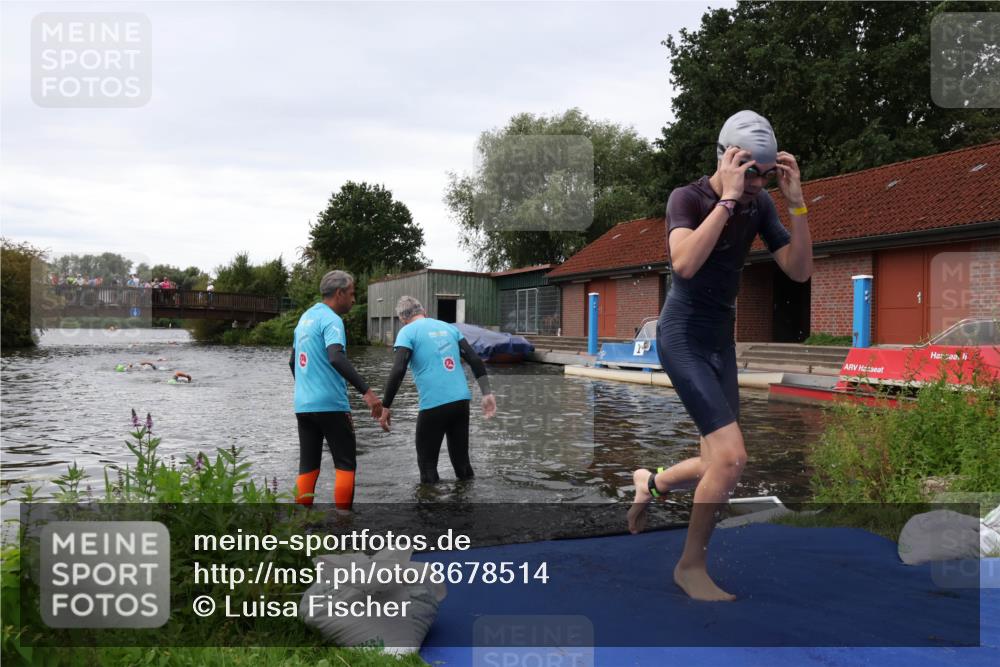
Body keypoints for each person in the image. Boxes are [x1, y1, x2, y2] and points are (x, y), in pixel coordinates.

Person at [627, 110, 813, 601]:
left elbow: (799, 270)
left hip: (719, 343)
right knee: (732, 459)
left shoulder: (761, 204)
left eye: (766, 175)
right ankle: (689, 566)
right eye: (750, 173)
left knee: (717, 460)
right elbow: (684, 264)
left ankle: (652, 482)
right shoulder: (688, 198)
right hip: (682, 337)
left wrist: (796, 206)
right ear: (725, 159)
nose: (757, 184)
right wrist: (727, 200)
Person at [289, 270, 384, 509]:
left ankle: (301, 519)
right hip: (331, 404)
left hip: (303, 406)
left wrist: (307, 389)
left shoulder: (305, 319)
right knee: (345, 464)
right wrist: (367, 392)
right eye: (351, 293)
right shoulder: (332, 320)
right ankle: (343, 522)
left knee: (308, 466)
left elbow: (292, 362)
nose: (353, 299)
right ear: (339, 293)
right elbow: (335, 356)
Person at [378, 296, 497, 483]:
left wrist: (386, 405)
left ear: (402, 319)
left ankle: (430, 501)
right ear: (424, 312)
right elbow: (474, 359)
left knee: (428, 467)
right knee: (463, 464)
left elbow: (399, 369)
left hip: (434, 404)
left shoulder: (407, 332)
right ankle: (467, 500)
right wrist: (486, 393)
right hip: (461, 401)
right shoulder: (449, 328)